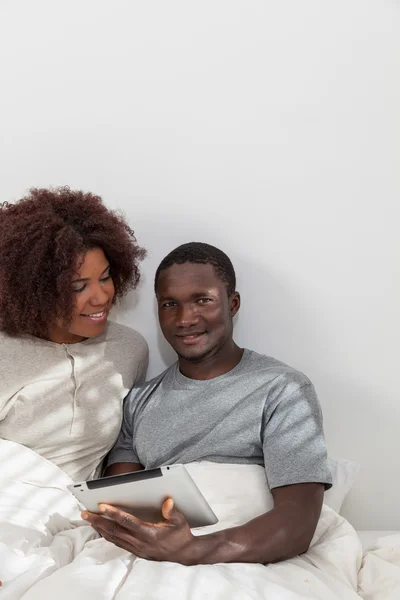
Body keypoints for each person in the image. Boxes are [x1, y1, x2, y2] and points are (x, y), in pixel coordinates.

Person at [83, 242, 332, 565]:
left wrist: (193, 550)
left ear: (233, 303)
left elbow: (298, 523)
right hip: (152, 557)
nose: (185, 319)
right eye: (170, 304)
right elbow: (116, 507)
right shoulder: (138, 402)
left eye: (203, 300)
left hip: (245, 555)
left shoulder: (282, 389)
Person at [0, 187, 148, 482]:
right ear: (34, 291)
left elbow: (124, 448)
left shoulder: (130, 349)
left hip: (79, 519)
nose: (100, 297)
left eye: (105, 277)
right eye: (78, 287)